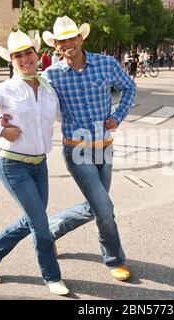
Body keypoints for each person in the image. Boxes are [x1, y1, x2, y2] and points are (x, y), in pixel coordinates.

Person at [0, 30, 70, 296]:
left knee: (33, 219)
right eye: (18, 55)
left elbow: (61, 118)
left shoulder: (48, 88)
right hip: (12, 165)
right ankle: (52, 276)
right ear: (11, 60)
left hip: (39, 164)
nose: (24, 59)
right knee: (40, 224)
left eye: (28, 53)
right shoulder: (5, 89)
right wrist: (0, 129)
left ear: (37, 55)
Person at [39, 16, 136, 282]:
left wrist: (118, 116)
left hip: (104, 146)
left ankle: (49, 231)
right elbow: (32, 100)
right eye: (62, 41)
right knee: (104, 208)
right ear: (56, 45)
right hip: (76, 148)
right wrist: (2, 118)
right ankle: (115, 259)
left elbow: (129, 87)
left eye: (72, 37)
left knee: (96, 206)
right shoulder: (52, 74)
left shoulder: (106, 64)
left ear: (81, 38)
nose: (68, 43)